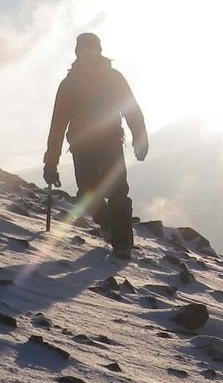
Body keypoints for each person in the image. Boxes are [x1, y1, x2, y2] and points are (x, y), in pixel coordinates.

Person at [43, 32, 148, 258]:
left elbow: (131, 109)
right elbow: (58, 124)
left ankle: (122, 245)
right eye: (84, 51)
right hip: (83, 148)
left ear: (99, 51)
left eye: (92, 50)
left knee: (119, 192)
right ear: (78, 53)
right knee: (86, 194)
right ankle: (107, 224)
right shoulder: (69, 85)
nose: (88, 55)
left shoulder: (113, 78)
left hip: (111, 143)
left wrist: (140, 137)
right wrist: (51, 162)